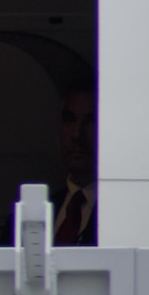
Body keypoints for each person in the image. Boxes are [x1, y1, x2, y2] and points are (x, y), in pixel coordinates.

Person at [53, 86, 98, 245]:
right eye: (69, 119)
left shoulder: (121, 215)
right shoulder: (30, 214)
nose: (77, 134)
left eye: (91, 121)